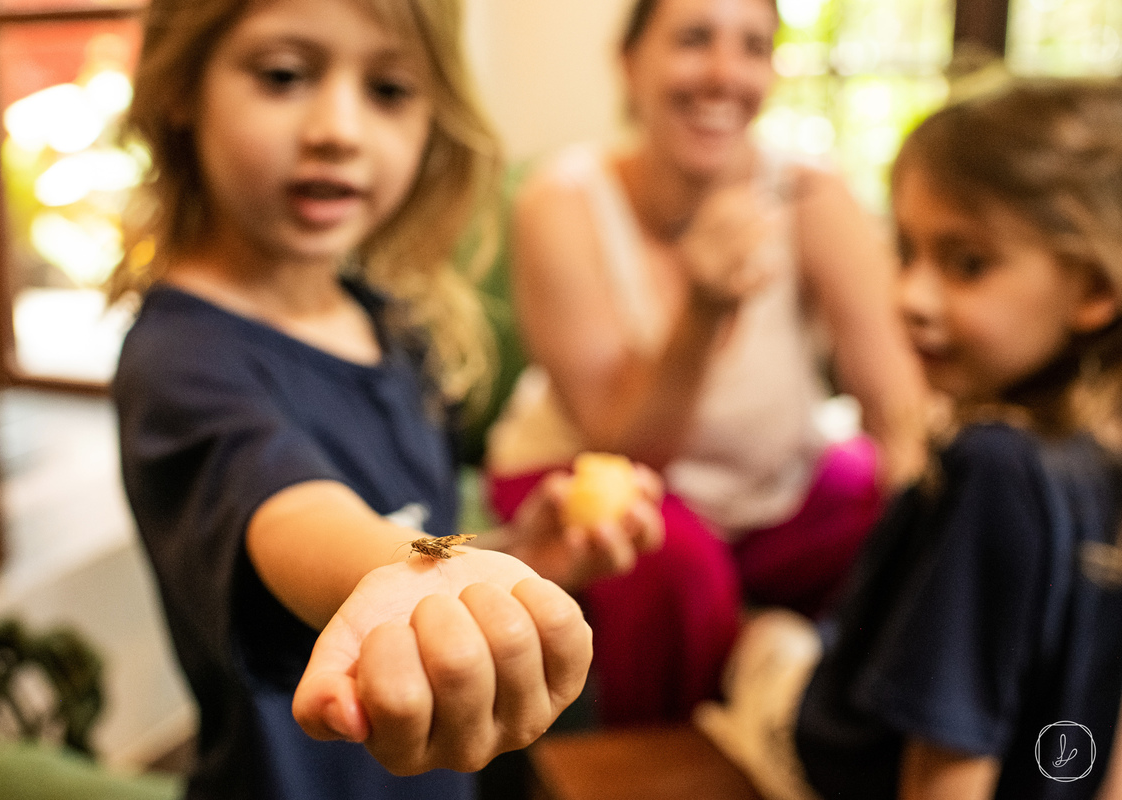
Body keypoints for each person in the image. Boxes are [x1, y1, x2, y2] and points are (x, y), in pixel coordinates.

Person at [108, 1, 663, 798]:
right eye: (284, 75)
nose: (339, 129)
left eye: (391, 90)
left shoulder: (391, 324)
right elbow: (293, 510)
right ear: (182, 89)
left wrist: (507, 552)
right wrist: (410, 574)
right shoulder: (182, 360)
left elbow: (408, 526)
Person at [484, 0, 928, 724]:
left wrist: (923, 524)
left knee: (894, 513)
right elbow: (624, 447)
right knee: (673, 563)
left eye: (753, 47)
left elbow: (896, 408)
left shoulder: (812, 193)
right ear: (630, 64)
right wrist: (704, 309)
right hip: (599, 478)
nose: (726, 74)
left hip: (773, 489)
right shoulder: (559, 202)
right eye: (694, 39)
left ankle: (808, 710)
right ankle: (670, 755)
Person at [696, 78, 1122, 800]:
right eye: (906, 251)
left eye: (967, 263)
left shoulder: (993, 464)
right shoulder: (1101, 456)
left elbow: (945, 763)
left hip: (836, 768)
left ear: (1092, 291)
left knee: (766, 645)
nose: (910, 297)